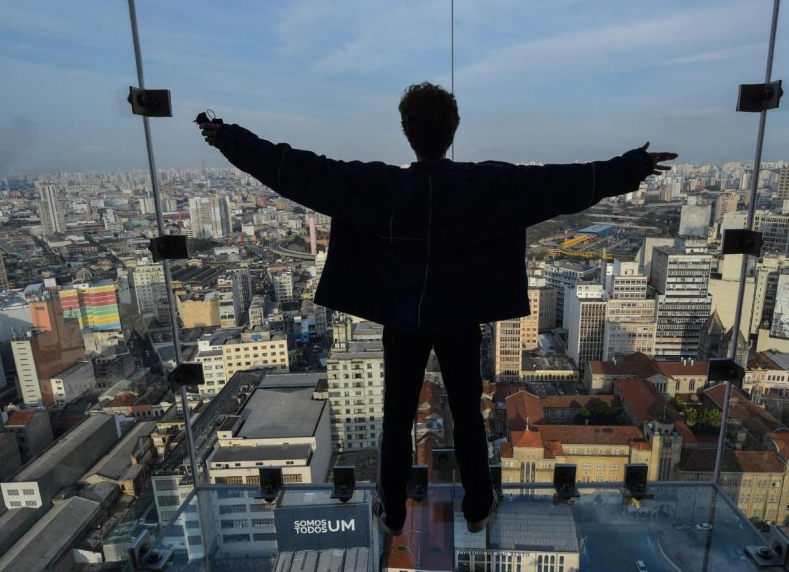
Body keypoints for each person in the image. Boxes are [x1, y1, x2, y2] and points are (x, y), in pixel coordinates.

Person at [199, 82, 676, 535]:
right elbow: (564, 184)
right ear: (454, 128)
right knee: (467, 412)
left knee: (397, 413)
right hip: (460, 316)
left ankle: (392, 513)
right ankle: (477, 506)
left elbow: (297, 170)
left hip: (403, 317)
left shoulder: (379, 186)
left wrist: (230, 139)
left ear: (407, 131)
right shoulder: (485, 185)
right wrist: (633, 165)